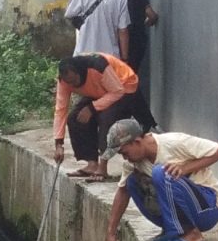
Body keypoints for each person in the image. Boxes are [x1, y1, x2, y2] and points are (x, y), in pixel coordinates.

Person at [101, 117, 218, 241]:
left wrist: (185, 168)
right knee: (132, 181)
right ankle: (172, 230)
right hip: (188, 209)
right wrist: (110, 233)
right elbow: (122, 193)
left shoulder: (174, 142)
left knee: (162, 173)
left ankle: (192, 235)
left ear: (136, 142)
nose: (125, 158)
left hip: (208, 207)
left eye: (125, 153)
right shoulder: (133, 163)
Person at [51, 53, 150, 181]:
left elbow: (117, 91)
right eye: (69, 82)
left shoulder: (97, 66)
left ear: (79, 72)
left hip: (124, 87)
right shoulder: (64, 81)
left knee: (106, 118)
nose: (73, 85)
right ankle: (92, 164)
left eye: (74, 81)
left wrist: (92, 108)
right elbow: (60, 110)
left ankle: (102, 167)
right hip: (101, 91)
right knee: (75, 118)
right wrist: (59, 144)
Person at [106, 0, 157, 107]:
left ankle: (144, 119)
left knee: (125, 83)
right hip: (138, 39)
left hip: (126, 42)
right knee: (128, 80)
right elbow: (151, 14)